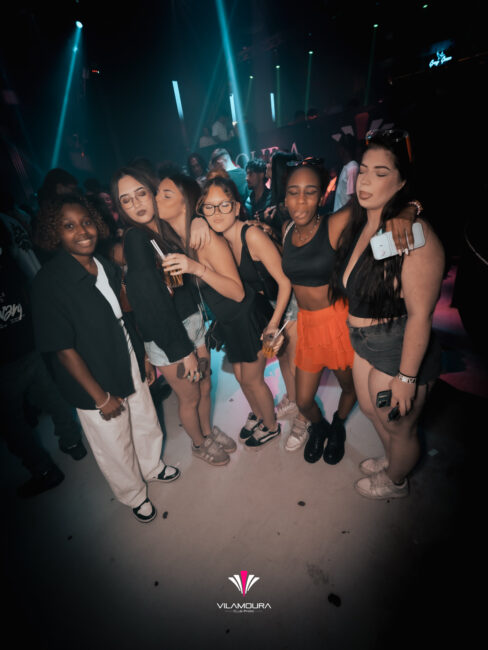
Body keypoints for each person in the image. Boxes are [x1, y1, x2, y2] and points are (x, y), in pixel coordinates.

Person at [31, 194, 179, 523]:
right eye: (69, 226)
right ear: (55, 232)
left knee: (144, 415)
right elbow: (62, 349)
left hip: (125, 351)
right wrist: (100, 397)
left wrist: (143, 356)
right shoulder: (49, 283)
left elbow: (124, 316)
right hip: (91, 372)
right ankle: (133, 494)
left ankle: (152, 466)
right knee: (113, 440)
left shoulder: (103, 265)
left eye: (86, 222)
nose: (82, 231)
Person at [331, 128, 444, 499]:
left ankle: (396, 481)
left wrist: (407, 378)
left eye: (380, 173)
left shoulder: (413, 233)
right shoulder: (362, 222)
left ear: (401, 183)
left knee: (400, 427)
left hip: (397, 344)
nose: (365, 180)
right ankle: (392, 460)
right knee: (370, 409)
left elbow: (421, 316)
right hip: (363, 341)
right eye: (363, 170)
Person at [112, 166, 232, 467]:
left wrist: (199, 220)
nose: (136, 204)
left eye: (141, 193)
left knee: (205, 386)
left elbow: (190, 210)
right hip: (170, 338)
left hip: (191, 323)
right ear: (120, 208)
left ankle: (207, 432)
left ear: (153, 193)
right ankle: (199, 444)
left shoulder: (161, 230)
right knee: (190, 397)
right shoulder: (136, 239)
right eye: (126, 200)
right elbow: (149, 302)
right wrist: (182, 351)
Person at [196, 175, 291, 448]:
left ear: (237, 207)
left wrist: (273, 325)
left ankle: (270, 426)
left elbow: (285, 282)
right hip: (241, 315)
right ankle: (259, 415)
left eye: (224, 205)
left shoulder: (251, 235)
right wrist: (196, 221)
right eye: (209, 207)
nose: (217, 213)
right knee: (240, 377)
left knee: (252, 377)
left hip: (265, 312)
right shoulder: (217, 238)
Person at [333, 133, 359, 213]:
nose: (337, 151)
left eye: (339, 148)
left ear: (343, 149)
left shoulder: (352, 167)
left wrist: (340, 214)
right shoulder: (347, 166)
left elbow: (353, 198)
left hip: (344, 216)